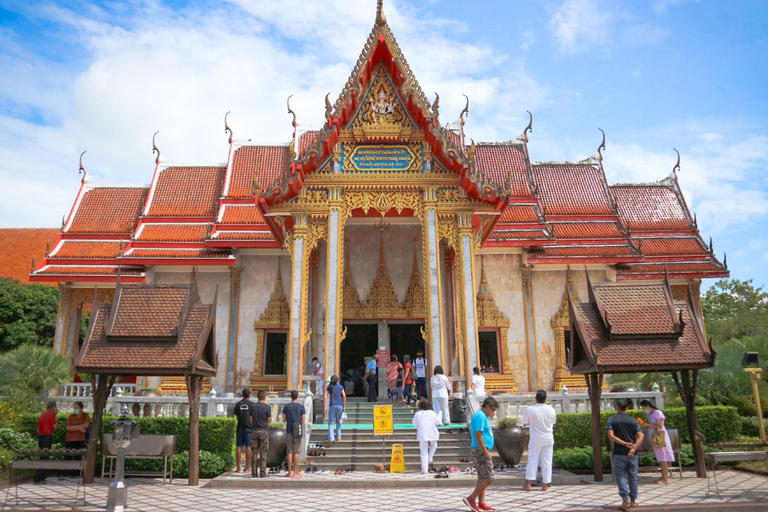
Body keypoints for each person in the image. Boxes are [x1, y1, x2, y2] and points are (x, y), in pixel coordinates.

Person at [607, 399, 644, 511]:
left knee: (620, 475)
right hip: (633, 453)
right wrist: (634, 448)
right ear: (627, 408)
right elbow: (641, 436)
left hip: (619, 452)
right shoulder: (633, 421)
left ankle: (625, 498)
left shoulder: (612, 420)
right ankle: (633, 500)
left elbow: (611, 436)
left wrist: (624, 443)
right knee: (633, 476)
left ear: (615, 407)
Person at [464, 396, 499, 512]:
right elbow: (478, 434)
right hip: (481, 450)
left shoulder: (481, 415)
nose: (493, 413)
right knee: (489, 477)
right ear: (487, 406)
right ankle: (471, 498)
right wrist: (485, 451)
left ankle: (481, 502)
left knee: (482, 477)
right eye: (493, 410)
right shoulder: (480, 416)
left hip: (479, 449)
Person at [521, 390, 557, 492]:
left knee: (532, 460)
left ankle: (528, 485)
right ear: (545, 399)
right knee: (547, 461)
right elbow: (553, 422)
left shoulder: (530, 409)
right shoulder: (551, 410)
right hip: (548, 437)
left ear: (536, 398)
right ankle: (545, 485)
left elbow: (524, 422)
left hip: (536, 438)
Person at [639, 399, 673, 484]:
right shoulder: (650, 414)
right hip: (654, 437)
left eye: (644, 408)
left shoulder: (658, 413)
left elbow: (660, 426)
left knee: (664, 457)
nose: (644, 410)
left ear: (648, 406)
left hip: (660, 437)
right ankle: (663, 476)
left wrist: (648, 425)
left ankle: (665, 478)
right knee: (660, 457)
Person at [412, 400, 441, 474]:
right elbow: (438, 422)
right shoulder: (432, 413)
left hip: (422, 434)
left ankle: (424, 470)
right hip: (432, 433)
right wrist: (440, 415)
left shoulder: (417, 414)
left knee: (423, 452)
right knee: (434, 445)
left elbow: (414, 424)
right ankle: (429, 459)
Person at [283, 390, 306, 478]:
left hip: (289, 430)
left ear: (291, 397)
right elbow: (303, 420)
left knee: (289, 451)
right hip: (297, 430)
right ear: (298, 396)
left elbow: (284, 420)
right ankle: (295, 472)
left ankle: (289, 472)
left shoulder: (286, 406)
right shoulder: (301, 407)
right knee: (296, 451)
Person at [234, 388, 258, 474]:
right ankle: (247, 467)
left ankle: (238, 468)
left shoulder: (238, 404)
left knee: (239, 446)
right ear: (249, 395)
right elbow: (254, 417)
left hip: (240, 428)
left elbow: (237, 417)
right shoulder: (252, 405)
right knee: (248, 447)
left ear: (242, 394)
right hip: (249, 428)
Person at [34, 401, 58, 483]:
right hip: (47, 437)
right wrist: (55, 415)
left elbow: (38, 428)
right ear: (53, 408)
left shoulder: (42, 415)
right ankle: (39, 477)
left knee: (42, 456)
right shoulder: (51, 415)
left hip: (41, 437)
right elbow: (55, 426)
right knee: (45, 457)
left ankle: (40, 477)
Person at [64, 401, 90, 476]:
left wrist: (75, 427)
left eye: (77, 408)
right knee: (68, 456)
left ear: (81, 408)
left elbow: (86, 425)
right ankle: (66, 473)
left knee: (77, 457)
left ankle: (76, 474)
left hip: (80, 439)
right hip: (70, 439)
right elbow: (68, 428)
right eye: (74, 408)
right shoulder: (71, 416)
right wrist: (79, 428)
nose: (75, 409)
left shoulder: (85, 416)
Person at [251, 390, 272, 478]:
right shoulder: (267, 407)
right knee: (263, 453)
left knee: (254, 452)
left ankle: (254, 472)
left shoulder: (253, 406)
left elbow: (251, 419)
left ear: (257, 397)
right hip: (264, 430)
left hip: (254, 430)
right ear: (265, 397)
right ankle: (262, 472)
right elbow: (269, 420)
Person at [324, 375, 346, 443]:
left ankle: (331, 438)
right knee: (338, 422)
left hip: (332, 405)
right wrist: (344, 406)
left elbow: (325, 396)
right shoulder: (340, 387)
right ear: (337, 380)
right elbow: (344, 396)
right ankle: (339, 437)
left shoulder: (330, 387)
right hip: (339, 406)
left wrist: (325, 406)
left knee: (331, 423)